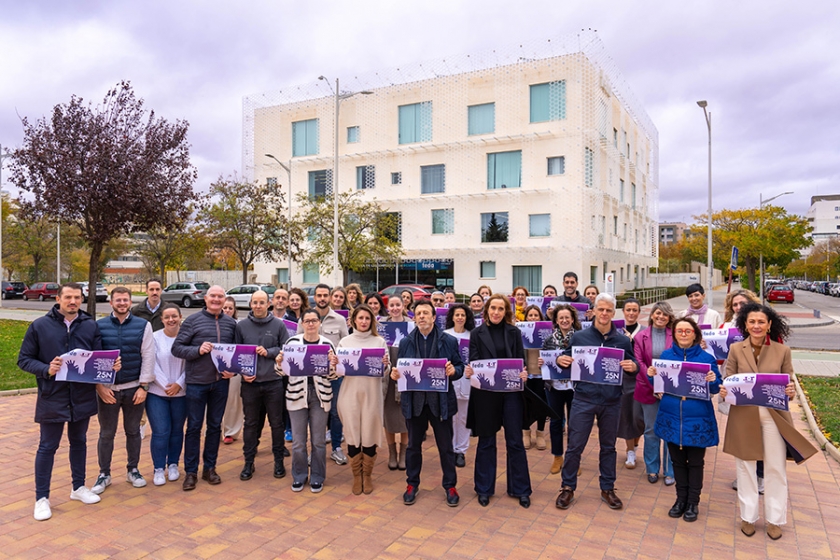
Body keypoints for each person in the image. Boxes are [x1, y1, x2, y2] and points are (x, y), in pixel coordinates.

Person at [720, 303, 817, 540]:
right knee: (746, 467)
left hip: (774, 418)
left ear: (769, 325)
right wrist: (725, 390)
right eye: (752, 322)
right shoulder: (735, 349)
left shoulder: (782, 351)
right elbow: (728, 377)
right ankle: (748, 516)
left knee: (775, 467)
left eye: (761, 322)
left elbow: (789, 384)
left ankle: (775, 519)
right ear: (745, 324)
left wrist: (791, 391)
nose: (756, 326)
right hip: (744, 416)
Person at [18, 282, 115, 521]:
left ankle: (78, 488)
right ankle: (42, 498)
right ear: (58, 299)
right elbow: (24, 359)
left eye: (77, 297)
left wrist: (110, 367)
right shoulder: (40, 326)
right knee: (47, 447)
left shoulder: (89, 325)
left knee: (79, 442)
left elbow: (96, 358)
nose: (73, 301)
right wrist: (46, 369)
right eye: (68, 297)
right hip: (53, 396)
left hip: (81, 397)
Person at [556, 293, 639, 511]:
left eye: (609, 311)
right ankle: (567, 487)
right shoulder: (580, 337)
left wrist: (634, 367)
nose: (604, 314)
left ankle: (608, 488)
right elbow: (565, 358)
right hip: (583, 399)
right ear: (593, 311)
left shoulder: (622, 340)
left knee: (609, 447)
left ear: (614, 313)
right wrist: (560, 359)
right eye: (601, 309)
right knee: (575, 446)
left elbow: (632, 363)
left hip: (612, 401)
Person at [646, 317, 721, 523]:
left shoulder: (706, 358)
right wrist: (652, 374)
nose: (684, 334)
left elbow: (715, 389)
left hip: (697, 418)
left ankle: (693, 502)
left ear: (695, 334)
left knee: (695, 463)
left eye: (688, 331)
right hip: (671, 416)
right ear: (675, 334)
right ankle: (680, 500)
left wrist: (713, 380)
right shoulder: (667, 356)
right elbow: (659, 384)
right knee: (677, 462)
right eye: (680, 331)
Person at [391, 300, 464, 507]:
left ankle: (450, 485)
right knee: (413, 447)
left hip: (440, 403)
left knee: (446, 447)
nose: (422, 316)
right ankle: (412, 484)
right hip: (414, 403)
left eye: (426, 313)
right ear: (414, 318)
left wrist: (454, 371)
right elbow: (399, 370)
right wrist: (394, 374)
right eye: (418, 313)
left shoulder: (448, 341)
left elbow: (459, 366)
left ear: (434, 317)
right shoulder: (405, 343)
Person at [466, 294, 532, 508]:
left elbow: (521, 361)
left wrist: (524, 373)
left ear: (506, 312)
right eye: (493, 308)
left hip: (511, 392)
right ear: (486, 311)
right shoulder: (476, 334)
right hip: (485, 394)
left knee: (515, 440)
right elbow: (474, 361)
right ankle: (483, 488)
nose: (496, 312)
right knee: (486, 441)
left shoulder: (514, 333)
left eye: (500, 309)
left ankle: (520, 489)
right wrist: (470, 370)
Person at [172, 285, 237, 491]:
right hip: (197, 383)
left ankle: (209, 468)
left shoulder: (231, 324)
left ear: (225, 300)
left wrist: (232, 371)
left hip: (220, 383)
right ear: (206, 298)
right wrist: (198, 350)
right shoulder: (192, 321)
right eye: (213, 296)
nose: (217, 300)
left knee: (215, 427)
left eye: (220, 296)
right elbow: (177, 348)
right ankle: (190, 471)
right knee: (193, 427)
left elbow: (235, 352)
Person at [91, 286, 155, 494]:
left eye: (125, 300)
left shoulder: (142, 325)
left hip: (133, 388)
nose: (122, 303)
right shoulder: (98, 326)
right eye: (118, 300)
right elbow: (93, 358)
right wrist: (99, 387)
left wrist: (144, 386)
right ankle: (104, 474)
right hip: (107, 390)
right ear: (111, 303)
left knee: (133, 431)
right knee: (107, 433)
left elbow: (148, 356)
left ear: (130, 302)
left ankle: (133, 470)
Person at [276, 309, 337, 493]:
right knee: (298, 441)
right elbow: (281, 372)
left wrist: (333, 364)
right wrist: (279, 362)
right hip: (296, 395)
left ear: (319, 323)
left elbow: (334, 376)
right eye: (307, 321)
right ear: (302, 323)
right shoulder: (292, 342)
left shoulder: (327, 344)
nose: (311, 324)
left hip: (320, 396)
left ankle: (318, 476)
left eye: (314, 320)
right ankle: (299, 476)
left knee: (318, 440)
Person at [333, 304, 390, 494]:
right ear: (353, 320)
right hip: (349, 394)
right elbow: (337, 373)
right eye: (361, 318)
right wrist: (334, 364)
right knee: (352, 434)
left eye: (367, 318)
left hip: (372, 395)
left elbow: (385, 372)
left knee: (369, 434)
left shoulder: (379, 342)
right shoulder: (344, 342)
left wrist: (385, 365)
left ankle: (367, 475)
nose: (364, 321)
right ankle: (356, 476)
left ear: (372, 320)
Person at [236, 290, 290, 482]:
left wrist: (268, 352)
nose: (258, 306)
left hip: (273, 382)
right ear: (250, 304)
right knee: (250, 424)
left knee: (277, 424)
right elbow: (236, 353)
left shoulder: (278, 325)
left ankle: (278, 461)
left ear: (269, 304)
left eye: (262, 302)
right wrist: (242, 372)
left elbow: (286, 348)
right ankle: (248, 462)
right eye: (255, 302)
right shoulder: (241, 326)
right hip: (250, 384)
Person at [305, 284, 349, 466]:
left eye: (325, 295)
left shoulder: (339, 320)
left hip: (334, 376)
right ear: (314, 297)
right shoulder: (307, 318)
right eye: (319, 295)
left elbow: (345, 345)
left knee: (336, 413)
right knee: (315, 414)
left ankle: (336, 448)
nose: (322, 298)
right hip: (313, 377)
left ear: (330, 297)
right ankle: (315, 450)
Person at [633, 302, 676, 485]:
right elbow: (639, 362)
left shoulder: (675, 335)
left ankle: (669, 470)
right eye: (658, 313)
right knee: (651, 430)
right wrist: (654, 385)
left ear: (669, 317)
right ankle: (652, 469)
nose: (661, 317)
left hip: (671, 391)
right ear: (652, 315)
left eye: (665, 314)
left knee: (669, 431)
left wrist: (664, 387)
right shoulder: (640, 336)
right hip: (648, 389)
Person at [146, 304, 187, 486]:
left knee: (177, 432)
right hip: (157, 392)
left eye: (174, 316)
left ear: (180, 317)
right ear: (162, 320)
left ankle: (173, 464)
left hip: (182, 393)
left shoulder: (187, 338)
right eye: (167, 317)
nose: (171, 320)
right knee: (161, 432)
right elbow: (150, 362)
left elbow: (191, 364)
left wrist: (179, 384)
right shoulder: (154, 338)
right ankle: (158, 468)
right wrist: (165, 385)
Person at [538, 304, 579, 475]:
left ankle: (573, 458)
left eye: (567, 317)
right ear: (555, 320)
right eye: (560, 317)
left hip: (574, 387)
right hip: (553, 387)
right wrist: (541, 362)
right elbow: (544, 360)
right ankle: (557, 456)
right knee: (555, 422)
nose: (564, 320)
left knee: (575, 424)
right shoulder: (548, 340)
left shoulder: (579, 338)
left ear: (572, 319)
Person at [380, 298, 411, 470]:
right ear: (388, 307)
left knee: (405, 418)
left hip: (404, 376)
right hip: (387, 378)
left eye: (398, 305)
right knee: (389, 418)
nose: (395, 308)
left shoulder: (410, 324)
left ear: (403, 306)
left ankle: (404, 452)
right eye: (391, 305)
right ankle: (392, 452)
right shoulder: (381, 325)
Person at [444, 303, 475, 469]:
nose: (460, 318)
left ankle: (461, 450)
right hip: (449, 378)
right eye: (457, 315)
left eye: (463, 315)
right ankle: (449, 448)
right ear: (452, 317)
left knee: (463, 417)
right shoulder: (444, 335)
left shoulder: (473, 336)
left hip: (467, 379)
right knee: (450, 416)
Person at [617, 298, 644, 470]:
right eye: (628, 310)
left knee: (640, 417)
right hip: (624, 379)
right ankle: (629, 451)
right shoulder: (617, 331)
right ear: (623, 312)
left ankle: (635, 444)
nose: (631, 313)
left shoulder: (644, 332)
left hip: (641, 379)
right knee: (627, 414)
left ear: (639, 312)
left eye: (635, 310)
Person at [521, 304, 548, 451]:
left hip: (542, 375)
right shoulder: (520, 334)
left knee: (542, 404)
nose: (533, 318)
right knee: (525, 405)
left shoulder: (546, 334)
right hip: (527, 375)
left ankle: (540, 433)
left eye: (535, 315)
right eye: (530, 315)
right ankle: (526, 432)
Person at [221, 296, 243, 445]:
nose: (227, 310)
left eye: (230, 308)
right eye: (225, 307)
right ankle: (215, 429)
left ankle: (230, 431)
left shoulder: (239, 326)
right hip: (215, 367)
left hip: (234, 367)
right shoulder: (211, 323)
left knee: (233, 400)